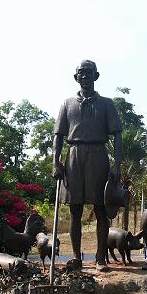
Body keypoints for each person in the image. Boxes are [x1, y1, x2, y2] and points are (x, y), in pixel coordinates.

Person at [52, 60, 122, 272]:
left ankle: (101, 257)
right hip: (74, 156)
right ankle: (76, 257)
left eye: (89, 72)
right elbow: (58, 135)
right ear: (76, 77)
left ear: (96, 76)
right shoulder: (67, 104)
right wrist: (55, 162)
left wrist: (117, 164)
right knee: (75, 209)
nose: (85, 76)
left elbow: (117, 135)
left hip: (99, 155)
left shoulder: (107, 104)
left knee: (101, 208)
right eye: (81, 73)